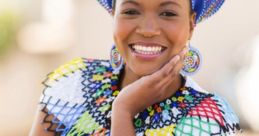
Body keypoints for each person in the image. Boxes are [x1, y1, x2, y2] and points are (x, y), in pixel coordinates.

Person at [30, 0, 241, 135]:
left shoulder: (207, 119)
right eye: (131, 11)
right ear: (114, 15)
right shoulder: (74, 83)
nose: (148, 30)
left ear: (191, 23)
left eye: (167, 13)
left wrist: (123, 110)